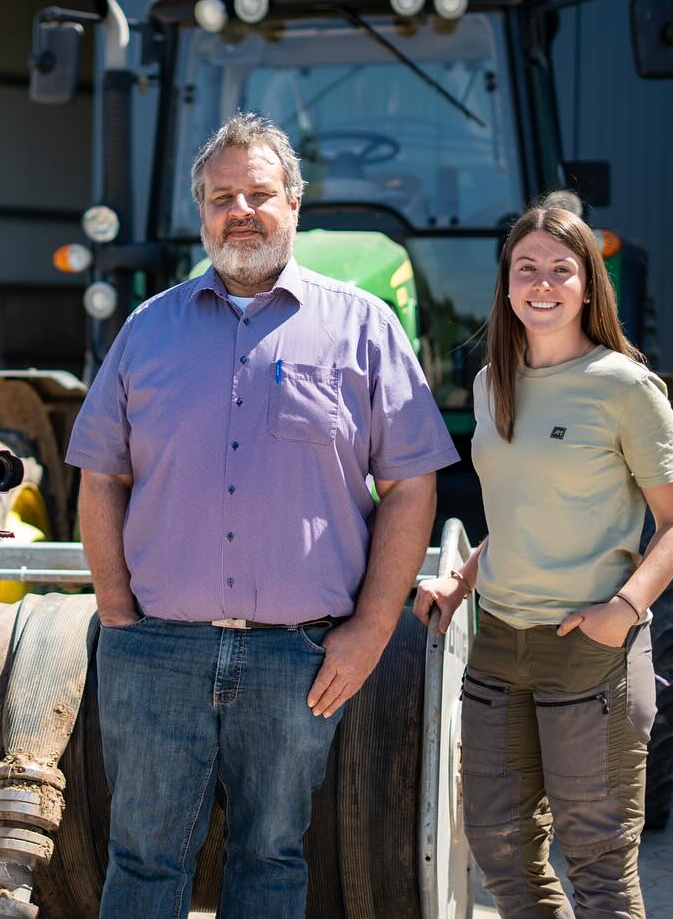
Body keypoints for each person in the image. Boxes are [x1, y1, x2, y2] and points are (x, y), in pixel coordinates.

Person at [65, 111, 459, 918]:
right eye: (221, 197)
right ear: (200, 213)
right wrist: (116, 611)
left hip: (298, 661)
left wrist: (372, 628)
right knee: (142, 860)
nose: (239, 210)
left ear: (295, 206)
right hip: (157, 651)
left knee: (272, 857)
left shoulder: (365, 327)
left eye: (258, 193)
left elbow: (413, 486)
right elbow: (100, 473)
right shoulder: (147, 330)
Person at [414, 204, 673, 917]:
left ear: (587, 285)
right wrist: (460, 580)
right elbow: (519, 515)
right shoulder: (491, 383)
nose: (543, 284)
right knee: (501, 853)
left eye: (560, 269)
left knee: (598, 868)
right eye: (526, 269)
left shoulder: (626, 387)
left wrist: (623, 611)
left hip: (589, 649)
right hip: (500, 644)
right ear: (507, 284)